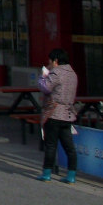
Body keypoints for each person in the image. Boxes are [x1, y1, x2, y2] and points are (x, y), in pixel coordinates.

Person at [36, 48, 79, 183]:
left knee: (51, 145)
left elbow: (45, 87)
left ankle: (47, 173)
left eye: (50, 61)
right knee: (69, 147)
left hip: (54, 114)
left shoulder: (56, 72)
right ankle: (71, 175)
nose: (49, 63)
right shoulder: (72, 74)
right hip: (67, 114)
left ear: (55, 61)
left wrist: (43, 76)